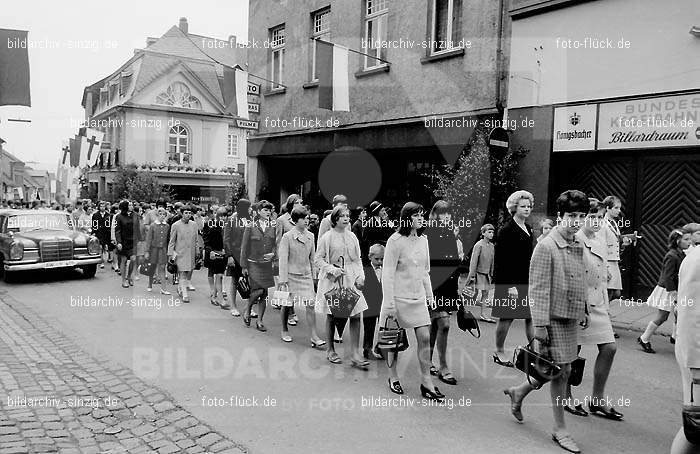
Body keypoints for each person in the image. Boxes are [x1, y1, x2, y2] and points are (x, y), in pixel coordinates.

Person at [503, 190, 588, 454]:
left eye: (581, 216)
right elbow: (538, 289)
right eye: (571, 215)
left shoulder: (577, 243)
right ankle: (559, 429)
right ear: (560, 216)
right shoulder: (546, 246)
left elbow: (580, 277)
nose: (576, 221)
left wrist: (584, 308)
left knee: (556, 369)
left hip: (570, 316)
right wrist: (539, 325)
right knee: (561, 372)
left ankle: (518, 392)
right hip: (551, 319)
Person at [564, 198, 623, 420]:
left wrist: (606, 308)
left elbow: (602, 276)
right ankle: (565, 395)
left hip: (598, 304)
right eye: (592, 217)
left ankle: (597, 399)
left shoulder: (598, 238)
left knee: (609, 348)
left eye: (600, 217)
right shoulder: (573, 240)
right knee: (571, 354)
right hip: (578, 305)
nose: (597, 222)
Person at [379, 202, 443, 399]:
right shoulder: (395, 240)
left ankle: (426, 381)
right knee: (393, 341)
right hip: (397, 298)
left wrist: (430, 296)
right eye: (416, 215)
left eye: (422, 215)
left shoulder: (424, 240)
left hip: (418, 298)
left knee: (425, 337)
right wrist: (389, 304)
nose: (421, 218)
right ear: (407, 218)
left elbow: (425, 271)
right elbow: (388, 274)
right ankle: (393, 376)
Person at [314, 205, 368, 367]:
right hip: (333, 279)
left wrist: (360, 276)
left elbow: (358, 259)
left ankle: (355, 353)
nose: (346, 218)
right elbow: (318, 259)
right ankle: (330, 350)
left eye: (347, 215)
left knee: (356, 314)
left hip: (351, 277)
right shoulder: (327, 237)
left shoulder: (352, 236)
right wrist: (331, 269)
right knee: (333, 315)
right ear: (335, 219)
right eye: (342, 216)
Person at [492, 190, 535, 367]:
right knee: (506, 317)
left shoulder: (529, 228)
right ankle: (499, 351)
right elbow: (501, 260)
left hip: (527, 279)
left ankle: (535, 351)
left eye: (529, 206)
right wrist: (508, 285)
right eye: (523, 206)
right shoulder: (506, 230)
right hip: (510, 281)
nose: (527, 209)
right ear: (514, 207)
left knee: (531, 317)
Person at [425, 200, 461, 385]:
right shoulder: (428, 233)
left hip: (448, 287)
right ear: (435, 215)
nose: (447, 217)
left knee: (436, 324)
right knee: (444, 324)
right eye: (443, 214)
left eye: (449, 214)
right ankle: (443, 366)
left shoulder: (450, 234)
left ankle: (428, 361)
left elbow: (454, 264)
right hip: (433, 286)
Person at [638, 228, 692, 353]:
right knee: (662, 317)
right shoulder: (672, 256)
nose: (689, 242)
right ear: (677, 241)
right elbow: (667, 276)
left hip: (675, 289)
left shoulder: (681, 253)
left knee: (679, 314)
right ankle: (644, 338)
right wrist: (673, 293)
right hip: (668, 290)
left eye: (690, 239)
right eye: (686, 239)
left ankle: (675, 337)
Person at [277, 205, 323, 345]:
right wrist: (283, 279)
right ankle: (284, 330)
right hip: (290, 275)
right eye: (304, 218)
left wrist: (314, 276)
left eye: (308, 218)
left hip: (306, 275)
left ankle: (314, 336)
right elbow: (283, 258)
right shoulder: (287, 236)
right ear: (296, 220)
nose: (307, 221)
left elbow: (312, 258)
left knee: (310, 305)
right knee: (287, 304)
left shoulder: (311, 236)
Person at [671, 245, 700, 453]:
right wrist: (696, 365)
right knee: (694, 426)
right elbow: (689, 316)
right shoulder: (697, 260)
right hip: (697, 359)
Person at [240, 200, 276, 331]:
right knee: (258, 291)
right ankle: (248, 307)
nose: (268, 212)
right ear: (258, 211)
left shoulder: (273, 225)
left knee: (264, 293)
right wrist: (243, 266)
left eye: (269, 210)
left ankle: (260, 320)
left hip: (266, 264)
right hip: (253, 263)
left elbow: (277, 244)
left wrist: (273, 254)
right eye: (265, 210)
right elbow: (244, 247)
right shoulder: (250, 226)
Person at [275, 194, 304, 323]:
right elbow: (277, 240)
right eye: (298, 202)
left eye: (301, 202)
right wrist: (278, 257)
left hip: (298, 257)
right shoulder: (282, 220)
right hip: (286, 256)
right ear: (291, 203)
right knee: (287, 285)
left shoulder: (302, 219)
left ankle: (289, 309)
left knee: (295, 286)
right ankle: (290, 313)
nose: (300, 204)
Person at [167, 205, 201, 303]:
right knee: (182, 272)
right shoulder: (176, 225)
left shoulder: (194, 224)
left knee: (187, 272)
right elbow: (172, 241)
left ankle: (180, 288)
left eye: (189, 213)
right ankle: (185, 294)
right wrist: (170, 254)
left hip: (191, 253)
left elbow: (196, 239)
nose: (188, 215)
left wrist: (197, 250)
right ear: (182, 213)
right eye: (186, 213)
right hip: (180, 253)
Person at [224, 199, 251, 317]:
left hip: (249, 255)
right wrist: (229, 255)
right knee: (235, 280)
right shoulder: (231, 220)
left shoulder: (250, 220)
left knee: (250, 281)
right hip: (235, 254)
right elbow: (226, 239)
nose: (250, 210)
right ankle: (233, 306)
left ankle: (249, 306)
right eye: (248, 207)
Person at [466, 224, 497, 323]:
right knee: (470, 293)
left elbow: (492, 260)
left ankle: (483, 314)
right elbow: (474, 261)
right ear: (483, 233)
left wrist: (491, 273)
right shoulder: (478, 245)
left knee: (485, 294)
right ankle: (462, 310)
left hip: (487, 274)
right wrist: (472, 274)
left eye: (492, 232)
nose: (491, 234)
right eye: (489, 232)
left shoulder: (491, 246)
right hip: (478, 273)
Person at [361, 244, 384, 360]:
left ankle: (381, 347)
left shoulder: (386, 270)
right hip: (369, 303)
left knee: (383, 326)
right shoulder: (364, 269)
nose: (380, 262)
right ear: (370, 257)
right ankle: (367, 348)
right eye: (377, 259)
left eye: (382, 259)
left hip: (382, 302)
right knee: (369, 327)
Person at [204, 207, 229, 308]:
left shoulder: (228, 225)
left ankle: (214, 296)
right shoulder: (210, 225)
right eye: (221, 216)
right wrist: (211, 251)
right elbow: (206, 240)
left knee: (220, 276)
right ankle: (221, 299)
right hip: (213, 253)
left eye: (225, 216)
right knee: (217, 274)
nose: (223, 218)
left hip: (224, 254)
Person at [114, 200, 141, 288]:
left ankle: (129, 276)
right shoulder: (119, 217)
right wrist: (118, 242)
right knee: (124, 260)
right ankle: (123, 280)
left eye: (132, 205)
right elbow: (117, 230)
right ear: (125, 206)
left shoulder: (136, 215)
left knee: (133, 259)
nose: (131, 206)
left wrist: (140, 239)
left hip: (133, 241)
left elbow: (138, 228)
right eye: (129, 205)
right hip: (123, 241)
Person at [145, 207, 171, 295]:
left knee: (162, 268)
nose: (162, 216)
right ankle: (149, 285)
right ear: (157, 215)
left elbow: (168, 240)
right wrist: (147, 251)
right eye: (160, 214)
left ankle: (163, 288)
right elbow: (148, 239)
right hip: (154, 249)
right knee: (152, 267)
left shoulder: (167, 226)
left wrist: (169, 251)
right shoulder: (153, 225)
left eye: (164, 214)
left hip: (163, 250)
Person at [92, 201, 111, 268]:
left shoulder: (108, 215)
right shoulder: (95, 215)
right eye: (101, 206)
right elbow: (94, 224)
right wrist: (94, 232)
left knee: (106, 247)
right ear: (99, 207)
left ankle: (109, 258)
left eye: (103, 206)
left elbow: (109, 224)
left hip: (106, 233)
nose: (102, 208)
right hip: (99, 233)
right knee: (100, 247)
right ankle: (101, 261)